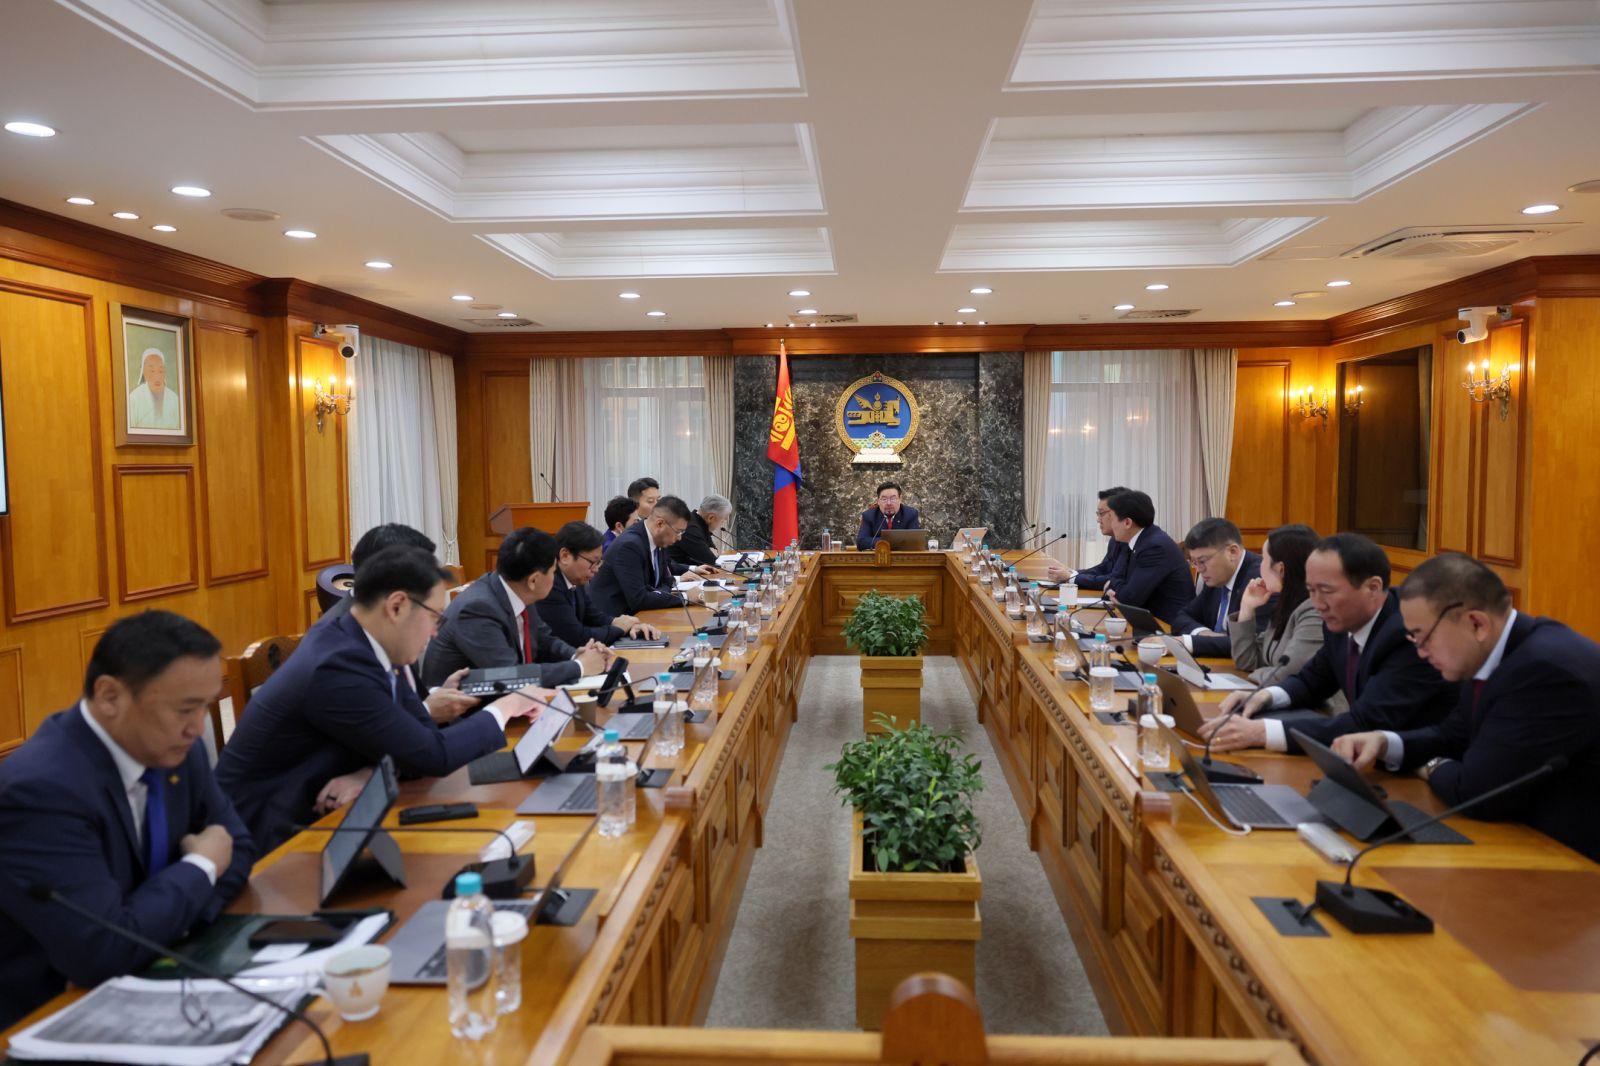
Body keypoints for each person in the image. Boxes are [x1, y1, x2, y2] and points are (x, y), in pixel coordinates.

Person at [0, 612, 256, 1028]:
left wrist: (158, 924)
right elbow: (102, 949)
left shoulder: (176, 750)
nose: (198, 728)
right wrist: (202, 866)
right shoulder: (40, 791)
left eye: (205, 706)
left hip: (153, 975)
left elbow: (240, 848)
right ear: (109, 696)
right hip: (50, 1014)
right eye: (185, 709)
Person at [216, 547, 544, 852]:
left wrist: (372, 771)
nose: (435, 632)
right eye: (435, 617)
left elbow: (419, 736)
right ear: (396, 606)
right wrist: (509, 705)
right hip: (265, 839)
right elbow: (434, 754)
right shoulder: (338, 665)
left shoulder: (369, 643)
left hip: (330, 813)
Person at [1332, 555, 1600, 862]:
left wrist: (1430, 765)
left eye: (1423, 637)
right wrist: (1384, 742)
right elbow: (1451, 736)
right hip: (1530, 841)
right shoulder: (1496, 653)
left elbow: (1478, 793)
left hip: (1577, 862)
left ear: (1476, 624)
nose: (1420, 653)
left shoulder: (1544, 672)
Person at [1199, 533, 1456, 755]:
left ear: (1373, 587)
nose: (1317, 603)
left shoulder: (1406, 635)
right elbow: (1312, 681)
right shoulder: (1340, 622)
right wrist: (1265, 696)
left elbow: (1364, 723)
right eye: (1311, 590)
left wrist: (1262, 732)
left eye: (1327, 591)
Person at [320, 523, 476, 725]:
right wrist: (428, 711)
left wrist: (437, 695)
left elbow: (406, 699)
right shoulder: (342, 648)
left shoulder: (386, 619)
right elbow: (376, 728)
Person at [422, 528, 611, 690]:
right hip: (463, 712)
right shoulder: (477, 609)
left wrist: (576, 654)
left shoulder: (518, 590)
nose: (555, 578)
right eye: (553, 572)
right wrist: (580, 667)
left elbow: (544, 640)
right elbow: (510, 675)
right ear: (533, 580)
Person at [1225, 524, 1330, 692]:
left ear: (1281, 569)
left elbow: (1288, 676)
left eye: (1263, 559)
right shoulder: (1287, 605)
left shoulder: (1315, 611)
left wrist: (1257, 675)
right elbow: (1247, 660)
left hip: (1318, 706)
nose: (1260, 565)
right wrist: (1247, 609)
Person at [539, 522, 663, 647]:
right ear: (565, 556)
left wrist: (627, 625)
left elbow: (593, 616)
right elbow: (577, 637)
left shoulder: (576, 579)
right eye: (593, 562)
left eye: (599, 563)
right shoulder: (549, 586)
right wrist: (620, 629)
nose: (596, 569)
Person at [590, 495, 719, 615]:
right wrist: (686, 597)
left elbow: (665, 582)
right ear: (660, 524)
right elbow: (639, 599)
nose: (679, 538)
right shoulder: (629, 546)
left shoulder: (657, 539)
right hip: (617, 619)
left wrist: (658, 590)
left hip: (644, 614)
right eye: (678, 531)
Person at [1171, 518, 1269, 658]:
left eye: (1202, 561)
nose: (1199, 569)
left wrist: (1188, 642)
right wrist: (1205, 634)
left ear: (1233, 552)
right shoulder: (1217, 577)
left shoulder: (1260, 581)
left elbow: (1251, 645)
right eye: (1194, 562)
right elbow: (1182, 618)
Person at [1100, 489, 1192, 624]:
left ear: (1127, 523)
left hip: (1169, 625)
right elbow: (1118, 578)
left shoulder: (1154, 547)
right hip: (1148, 619)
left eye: (1112, 519)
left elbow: (1129, 598)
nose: (1112, 526)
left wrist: (1112, 585)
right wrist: (1114, 585)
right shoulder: (1141, 540)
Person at [1047, 486, 1129, 587]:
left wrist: (1071, 578)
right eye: (1098, 514)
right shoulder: (1114, 539)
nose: (1098, 520)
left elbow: (1113, 580)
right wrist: (1072, 573)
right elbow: (1104, 568)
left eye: (1101, 513)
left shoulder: (1130, 542)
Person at [671, 494, 732, 569]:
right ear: (711, 518)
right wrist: (711, 553)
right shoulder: (691, 528)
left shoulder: (700, 523)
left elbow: (714, 551)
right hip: (679, 574)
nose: (723, 523)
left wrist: (712, 552)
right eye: (723, 520)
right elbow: (712, 562)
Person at [855, 482, 921, 550]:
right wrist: (892, 541)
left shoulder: (911, 514)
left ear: (900, 499)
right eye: (884, 499)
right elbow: (861, 542)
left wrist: (884, 541)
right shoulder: (869, 516)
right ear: (878, 501)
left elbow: (915, 541)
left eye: (893, 499)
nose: (889, 503)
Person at [127, 348, 181, 430]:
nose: (157, 377)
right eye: (152, 371)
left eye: (160, 371)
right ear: (143, 372)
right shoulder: (134, 399)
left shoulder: (175, 399)